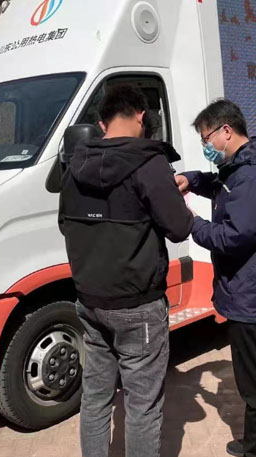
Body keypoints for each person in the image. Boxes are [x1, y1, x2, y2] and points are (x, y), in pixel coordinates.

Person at [58, 84, 194, 457]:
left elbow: (65, 224)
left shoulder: (74, 166)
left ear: (102, 123)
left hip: (90, 301)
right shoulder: (149, 163)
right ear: (141, 116)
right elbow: (179, 227)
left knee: (95, 397)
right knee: (142, 406)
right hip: (139, 306)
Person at [175, 99, 256, 457]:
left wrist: (191, 222)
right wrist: (191, 180)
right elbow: (219, 185)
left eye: (205, 137)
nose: (205, 145)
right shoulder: (240, 168)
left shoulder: (253, 177)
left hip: (254, 299)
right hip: (250, 293)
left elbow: (233, 237)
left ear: (226, 131)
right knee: (254, 380)